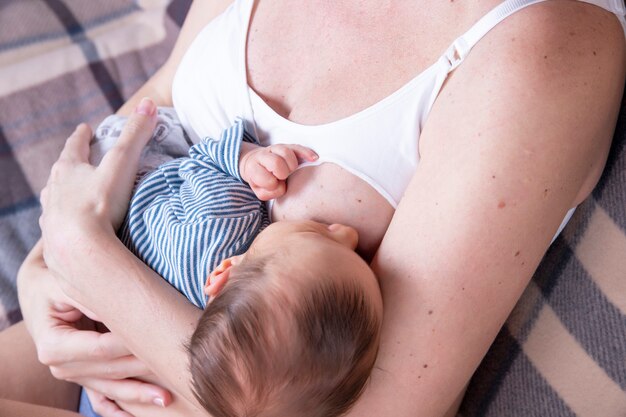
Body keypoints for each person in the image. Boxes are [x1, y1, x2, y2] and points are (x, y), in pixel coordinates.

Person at [1, 0, 625, 416]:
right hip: (82, 337)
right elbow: (153, 108)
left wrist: (91, 264)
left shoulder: (542, 49)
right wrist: (42, 269)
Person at [95, 111, 382, 417]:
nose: (349, 234)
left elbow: (203, 157)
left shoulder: (227, 216)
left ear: (224, 272)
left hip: (134, 171)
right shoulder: (226, 337)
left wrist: (247, 160)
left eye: (319, 233)